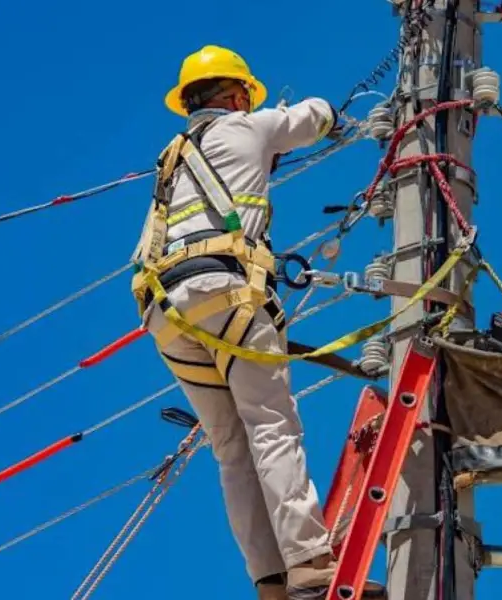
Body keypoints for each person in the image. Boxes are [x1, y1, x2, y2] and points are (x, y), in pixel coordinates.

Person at [130, 45, 387, 600]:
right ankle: (311, 565)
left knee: (230, 446)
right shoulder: (249, 127)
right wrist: (337, 118)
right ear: (237, 93)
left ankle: (270, 581)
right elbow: (314, 116)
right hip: (229, 292)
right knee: (271, 426)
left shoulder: (169, 161)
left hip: (166, 312)